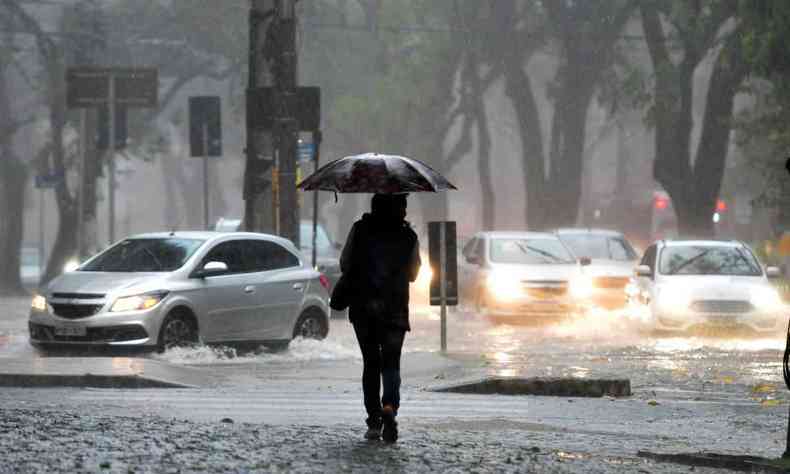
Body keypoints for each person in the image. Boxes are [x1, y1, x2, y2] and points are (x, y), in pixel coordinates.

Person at [340, 193, 421, 443]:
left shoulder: (360, 230)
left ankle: (374, 421)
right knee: (392, 363)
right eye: (403, 205)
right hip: (395, 309)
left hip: (363, 308)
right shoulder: (409, 236)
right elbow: (414, 274)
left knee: (371, 363)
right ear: (396, 208)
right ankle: (390, 407)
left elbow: (345, 264)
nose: (406, 210)